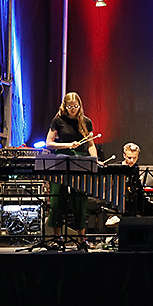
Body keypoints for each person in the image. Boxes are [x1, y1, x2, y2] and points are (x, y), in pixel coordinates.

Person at [44, 92, 98, 247]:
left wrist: (95, 161)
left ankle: (82, 240)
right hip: (61, 161)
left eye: (75, 106)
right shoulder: (58, 120)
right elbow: (49, 143)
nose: (73, 109)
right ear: (64, 106)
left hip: (79, 162)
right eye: (69, 106)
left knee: (80, 200)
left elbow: (91, 145)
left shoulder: (86, 122)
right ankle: (56, 239)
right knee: (57, 198)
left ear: (79, 105)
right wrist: (68, 145)